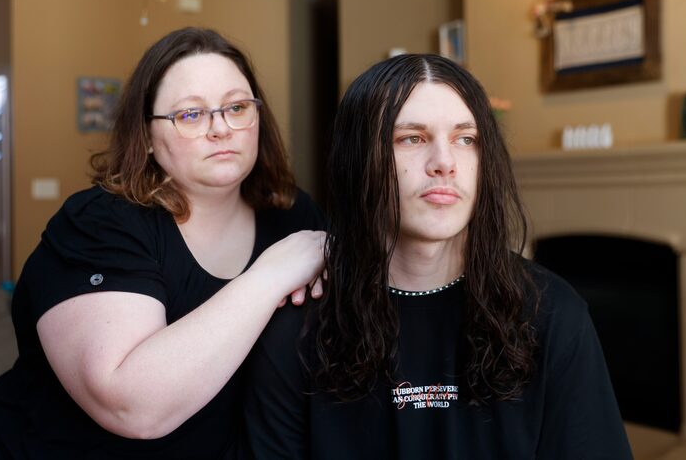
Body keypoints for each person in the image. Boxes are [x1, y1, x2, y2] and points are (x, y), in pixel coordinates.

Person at [0, 27, 326, 459]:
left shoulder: (294, 216)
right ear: (147, 137)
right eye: (190, 114)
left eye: (237, 107)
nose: (222, 128)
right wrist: (272, 275)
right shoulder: (102, 222)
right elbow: (131, 406)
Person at [244, 54, 633, 459]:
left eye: (466, 139)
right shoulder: (295, 329)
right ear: (359, 161)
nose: (445, 163)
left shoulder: (553, 313)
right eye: (412, 138)